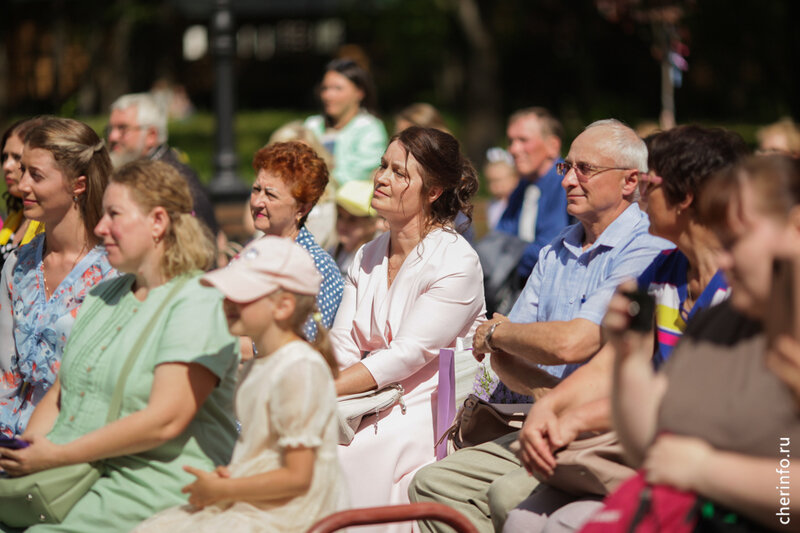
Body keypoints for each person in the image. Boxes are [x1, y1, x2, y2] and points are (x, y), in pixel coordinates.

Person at [409, 119, 670, 533]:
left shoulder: (647, 247)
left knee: (507, 497)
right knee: (432, 484)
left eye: (586, 169)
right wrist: (544, 389)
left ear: (629, 181)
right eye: (567, 167)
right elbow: (504, 360)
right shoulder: (557, 249)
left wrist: (499, 332)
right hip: (543, 419)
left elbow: (574, 343)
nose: (568, 180)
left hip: (609, 431)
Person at [501, 125, 748, 533]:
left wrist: (577, 419)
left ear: (684, 198)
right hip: (658, 452)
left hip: (722, 468)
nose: (639, 196)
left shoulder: (743, 287)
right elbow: (610, 362)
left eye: (649, 184)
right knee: (522, 521)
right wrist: (548, 407)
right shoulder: (663, 272)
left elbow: (694, 399)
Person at [0, 159, 239, 532]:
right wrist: (26, 453)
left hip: (157, 488)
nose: (99, 227)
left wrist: (57, 455)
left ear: (158, 222)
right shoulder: (101, 295)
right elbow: (62, 391)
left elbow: (165, 420)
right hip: (74, 479)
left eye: (114, 214)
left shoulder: (198, 301)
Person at [587, 155, 800, 531]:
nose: (724, 259)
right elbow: (651, 449)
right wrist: (631, 362)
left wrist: (706, 471)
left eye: (736, 240)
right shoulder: (720, 320)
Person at [133, 237, 345, 533]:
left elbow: (298, 477)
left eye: (241, 295)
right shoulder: (258, 365)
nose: (228, 302)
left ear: (283, 306)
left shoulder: (300, 368)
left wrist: (224, 490)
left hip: (288, 516)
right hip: (255, 500)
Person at [330, 126, 485, 529]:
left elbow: (409, 354)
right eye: (383, 166)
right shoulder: (368, 253)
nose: (381, 178)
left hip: (429, 406)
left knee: (344, 457)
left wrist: (324, 389)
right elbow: (342, 342)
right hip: (366, 393)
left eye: (399, 173)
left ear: (433, 191)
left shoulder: (454, 260)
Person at [0, 117, 116, 438]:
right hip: (15, 433)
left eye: (36, 175)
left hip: (85, 435)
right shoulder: (18, 264)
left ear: (78, 184)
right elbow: (6, 378)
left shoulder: (114, 270)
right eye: (23, 171)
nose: (22, 185)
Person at [476, 108, 569, 315]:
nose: (514, 149)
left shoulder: (563, 182)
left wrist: (510, 257)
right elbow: (500, 236)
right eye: (511, 141)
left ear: (552, 145)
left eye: (523, 140)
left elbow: (550, 250)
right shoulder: (524, 185)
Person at [249, 141, 343, 343]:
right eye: (256, 189)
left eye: (270, 195)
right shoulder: (252, 253)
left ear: (302, 209)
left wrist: (228, 345)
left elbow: (303, 342)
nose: (257, 202)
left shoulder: (317, 269)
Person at [107, 92, 220, 236]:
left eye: (123, 129)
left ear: (151, 135)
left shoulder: (175, 179)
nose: (112, 137)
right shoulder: (137, 170)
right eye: (110, 129)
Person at [304, 58, 388, 185]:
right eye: (325, 88)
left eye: (338, 88)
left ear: (359, 92)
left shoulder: (370, 128)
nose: (328, 95)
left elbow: (357, 176)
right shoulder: (312, 125)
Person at [267, 120, 338, 250]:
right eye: (289, 159)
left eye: (305, 159)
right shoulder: (263, 197)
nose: (297, 167)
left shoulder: (327, 207)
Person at [0, 119, 45, 269]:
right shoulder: (15, 217)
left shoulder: (49, 224)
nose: (6, 166)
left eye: (16, 157)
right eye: (5, 157)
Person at [329, 179, 379, 273]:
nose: (343, 224)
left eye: (352, 219)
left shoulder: (374, 262)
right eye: (340, 216)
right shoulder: (333, 251)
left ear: (372, 224)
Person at [484, 147, 519, 232]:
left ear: (514, 178)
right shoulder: (492, 204)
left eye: (498, 180)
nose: (494, 186)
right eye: (490, 181)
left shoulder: (518, 202)